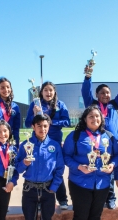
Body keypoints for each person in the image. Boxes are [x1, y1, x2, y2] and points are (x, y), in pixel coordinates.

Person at [62, 105, 118, 220]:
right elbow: (66, 156)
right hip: (80, 182)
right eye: (91, 117)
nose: (95, 119)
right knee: (80, 215)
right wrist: (79, 166)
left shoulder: (108, 136)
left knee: (95, 216)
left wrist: (113, 165)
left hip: (101, 183)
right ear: (85, 119)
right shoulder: (75, 136)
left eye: (97, 117)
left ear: (101, 119)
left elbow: (117, 155)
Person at [81, 65, 118, 210]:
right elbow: (85, 91)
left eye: (107, 93)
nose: (105, 95)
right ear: (97, 95)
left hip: (114, 143)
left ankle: (111, 197)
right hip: (97, 143)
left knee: (112, 169)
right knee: (99, 168)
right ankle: (98, 196)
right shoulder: (92, 105)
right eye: (102, 93)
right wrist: (88, 77)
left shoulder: (115, 105)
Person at [16, 114, 64, 220]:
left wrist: (54, 187)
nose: (42, 129)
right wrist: (24, 163)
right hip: (29, 189)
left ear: (48, 127)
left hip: (47, 190)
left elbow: (60, 168)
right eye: (39, 126)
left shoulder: (54, 146)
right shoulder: (26, 145)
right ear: (33, 127)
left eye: (45, 126)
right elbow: (17, 168)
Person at [25, 81, 70, 210]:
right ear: (41, 92)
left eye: (51, 90)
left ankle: (62, 199)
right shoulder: (35, 104)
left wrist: (50, 121)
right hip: (38, 141)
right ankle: (39, 200)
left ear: (54, 92)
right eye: (45, 90)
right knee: (40, 168)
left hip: (54, 141)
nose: (48, 92)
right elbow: (28, 123)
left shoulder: (60, 105)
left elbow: (66, 122)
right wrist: (34, 114)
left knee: (56, 169)